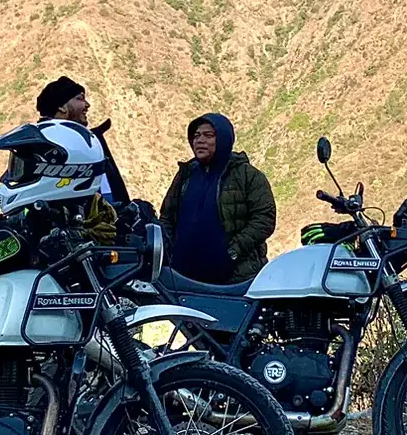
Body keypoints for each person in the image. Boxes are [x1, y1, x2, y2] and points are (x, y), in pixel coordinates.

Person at [158, 113, 276, 283]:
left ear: (223, 138)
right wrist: (168, 248)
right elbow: (167, 216)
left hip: (233, 277)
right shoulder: (186, 175)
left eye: (208, 135)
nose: (200, 140)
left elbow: (264, 219)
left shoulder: (247, 175)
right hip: (182, 276)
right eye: (196, 136)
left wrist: (233, 251)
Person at [35, 75, 130, 204]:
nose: (87, 105)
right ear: (61, 107)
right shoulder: (39, 146)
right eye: (79, 98)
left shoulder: (89, 143)